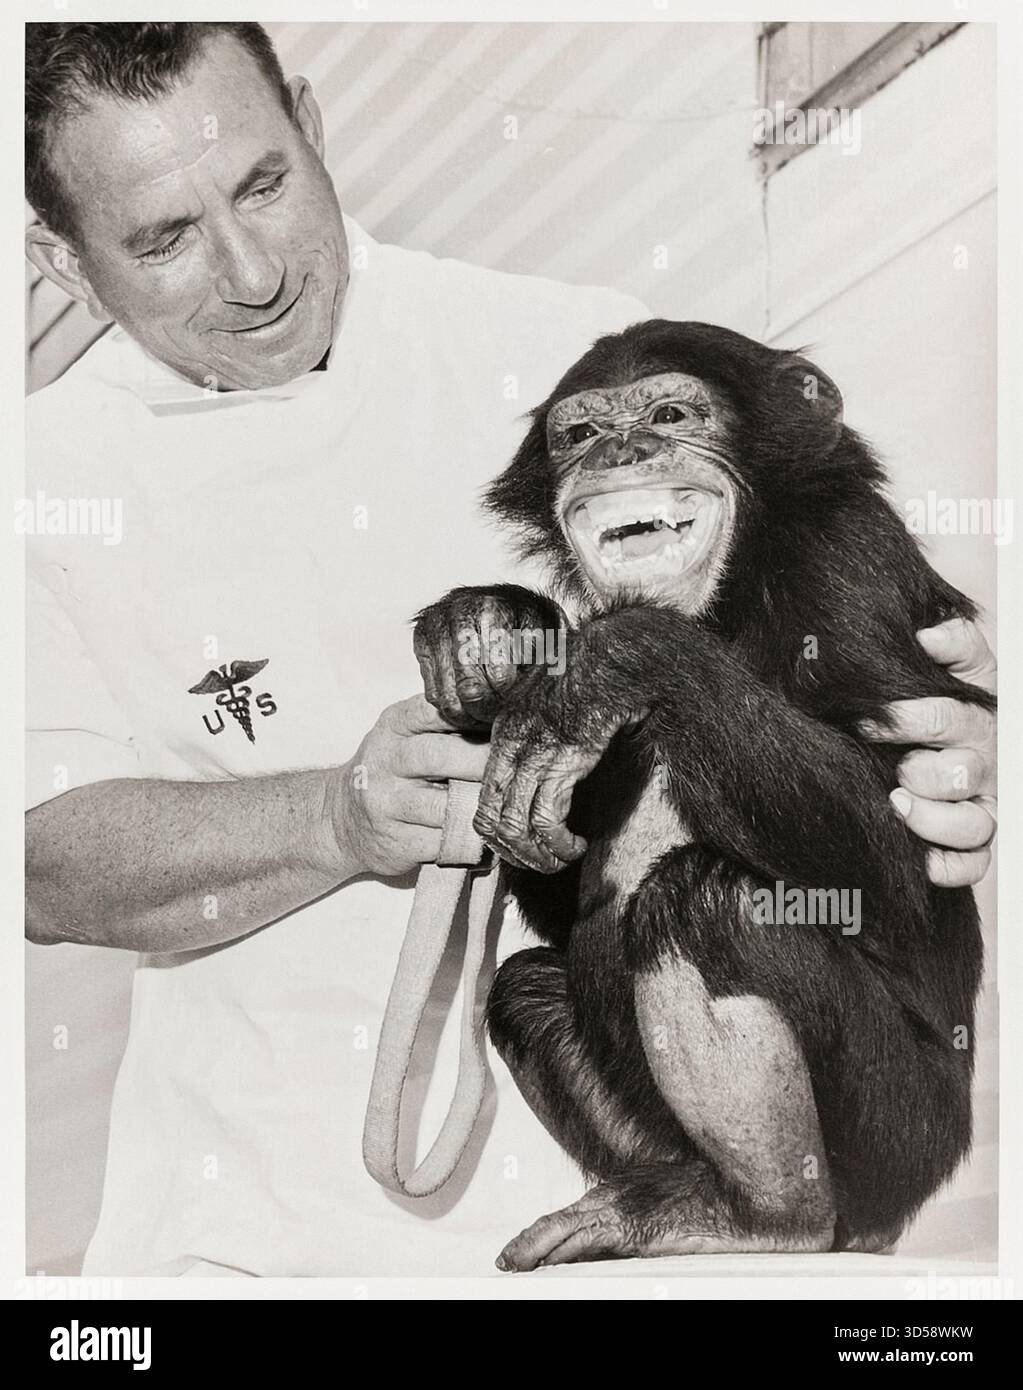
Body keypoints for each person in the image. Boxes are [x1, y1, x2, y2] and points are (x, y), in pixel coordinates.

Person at [24, 22, 997, 1277]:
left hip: (689, 1153)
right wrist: (337, 817)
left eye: (264, 183)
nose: (252, 270)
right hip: (256, 1214)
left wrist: (943, 745)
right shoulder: (40, 478)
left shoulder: (572, 352)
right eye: (163, 239)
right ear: (62, 260)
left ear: (313, 126)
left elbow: (837, 708)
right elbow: (40, 859)